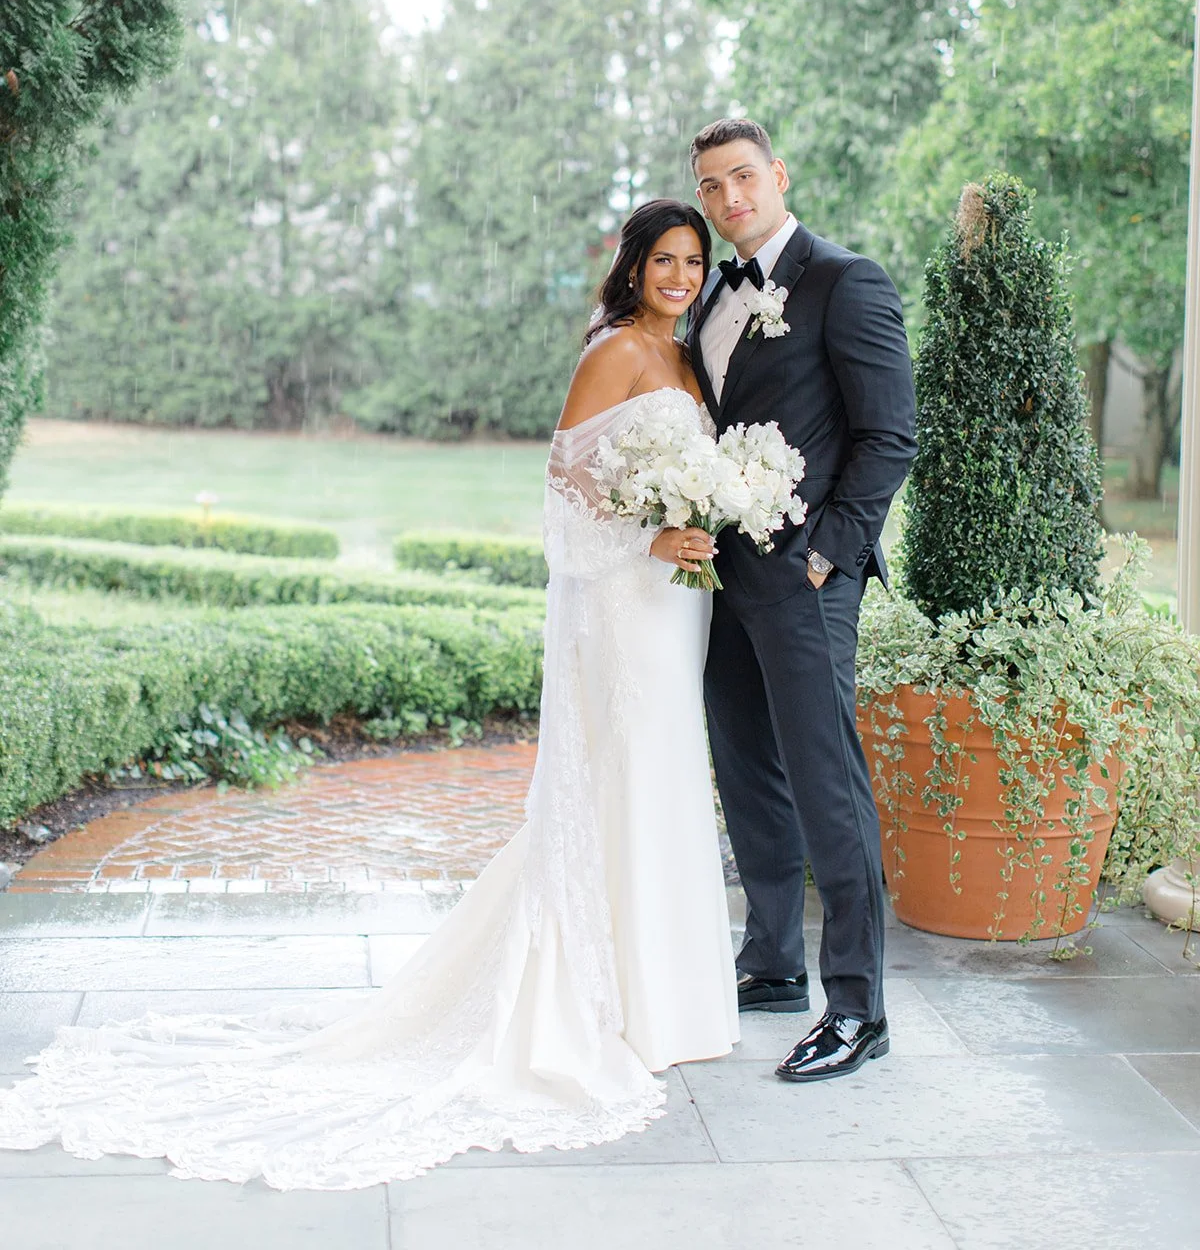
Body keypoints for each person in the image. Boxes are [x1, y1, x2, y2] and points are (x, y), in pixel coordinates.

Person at [0, 199, 738, 1190]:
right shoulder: (609, 353)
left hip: (670, 606)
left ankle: (668, 999)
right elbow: (564, 505)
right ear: (634, 263)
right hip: (618, 602)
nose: (682, 276)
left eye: (694, 261)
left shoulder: (689, 358)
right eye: (666, 259)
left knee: (660, 786)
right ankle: (607, 1001)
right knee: (617, 785)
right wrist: (648, 538)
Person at [689, 117, 917, 1083]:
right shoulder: (706, 295)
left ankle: (858, 1007)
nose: (730, 197)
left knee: (829, 785)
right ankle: (774, 963)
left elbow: (890, 435)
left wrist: (827, 555)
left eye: (744, 176)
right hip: (720, 581)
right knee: (748, 774)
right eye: (711, 186)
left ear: (778, 175)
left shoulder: (843, 281)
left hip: (806, 583)